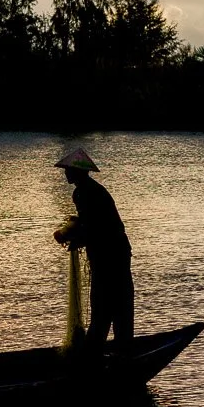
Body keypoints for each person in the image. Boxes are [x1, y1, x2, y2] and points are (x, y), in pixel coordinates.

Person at [52, 145, 134, 352]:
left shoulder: (83, 193)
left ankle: (96, 356)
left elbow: (94, 227)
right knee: (117, 304)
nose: (66, 174)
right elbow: (91, 223)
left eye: (69, 171)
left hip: (110, 254)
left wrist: (73, 237)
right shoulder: (91, 190)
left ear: (78, 172)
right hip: (115, 251)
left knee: (106, 305)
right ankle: (119, 351)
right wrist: (77, 236)